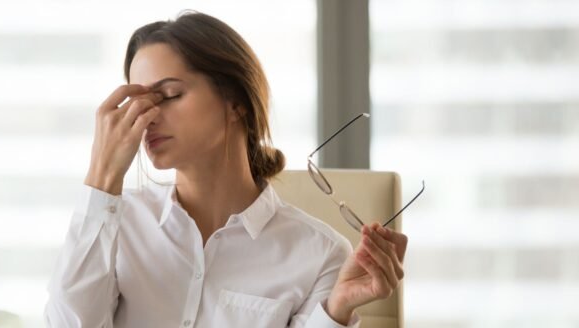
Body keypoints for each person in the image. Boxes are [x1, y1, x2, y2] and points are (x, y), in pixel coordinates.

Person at [45, 11, 407, 328]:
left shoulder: (320, 253)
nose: (148, 118)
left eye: (169, 95)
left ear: (237, 103)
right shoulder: (116, 224)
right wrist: (102, 177)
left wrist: (335, 312)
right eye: (139, 104)